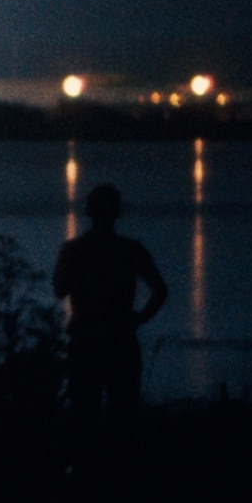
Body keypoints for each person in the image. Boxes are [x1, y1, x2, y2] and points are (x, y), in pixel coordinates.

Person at [53, 183, 168, 442]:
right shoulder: (131, 249)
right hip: (121, 339)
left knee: (84, 414)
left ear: (89, 212)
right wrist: (139, 317)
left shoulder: (73, 250)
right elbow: (160, 290)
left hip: (85, 340)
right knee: (123, 414)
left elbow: (59, 290)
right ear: (117, 213)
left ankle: (86, 470)